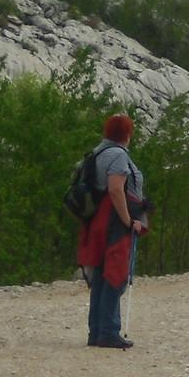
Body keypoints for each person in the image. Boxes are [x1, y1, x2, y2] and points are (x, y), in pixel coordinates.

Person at [76, 114, 148, 349]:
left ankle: (97, 331)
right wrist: (129, 221)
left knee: (101, 273)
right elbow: (116, 189)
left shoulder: (98, 152)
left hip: (98, 221)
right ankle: (108, 331)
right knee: (115, 273)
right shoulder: (117, 155)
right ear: (127, 134)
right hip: (114, 222)